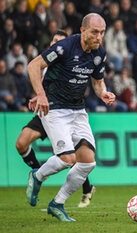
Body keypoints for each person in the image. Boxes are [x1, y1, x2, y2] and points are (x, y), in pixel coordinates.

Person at [26, 13, 115, 222]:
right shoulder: (65, 46)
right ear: (83, 31)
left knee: (87, 163)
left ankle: (57, 203)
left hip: (77, 110)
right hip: (54, 108)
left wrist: (103, 93)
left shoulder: (99, 53)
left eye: (102, 32)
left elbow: (97, 81)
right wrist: (41, 95)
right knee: (68, 159)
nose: (99, 37)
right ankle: (37, 175)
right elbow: (33, 65)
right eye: (95, 32)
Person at [16, 30, 96, 208]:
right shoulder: (46, 62)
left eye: (60, 41)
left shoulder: (68, 61)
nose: (56, 44)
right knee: (21, 143)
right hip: (46, 112)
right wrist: (39, 96)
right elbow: (44, 83)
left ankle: (86, 187)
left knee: (76, 156)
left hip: (65, 113)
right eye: (54, 41)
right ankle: (37, 174)